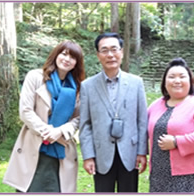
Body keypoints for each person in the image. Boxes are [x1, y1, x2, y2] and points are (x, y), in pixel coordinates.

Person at [3, 41, 85, 193]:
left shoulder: (78, 87)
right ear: (56, 55)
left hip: (62, 147)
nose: (67, 59)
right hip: (35, 144)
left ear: (76, 63)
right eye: (64, 54)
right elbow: (25, 110)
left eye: (73, 57)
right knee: (31, 188)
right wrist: (47, 131)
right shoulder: (35, 77)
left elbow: (79, 118)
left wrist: (60, 131)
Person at [79, 32, 148, 192]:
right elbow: (85, 124)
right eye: (104, 50)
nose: (110, 55)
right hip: (101, 153)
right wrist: (88, 155)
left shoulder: (136, 83)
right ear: (98, 55)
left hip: (130, 152)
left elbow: (142, 120)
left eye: (114, 49)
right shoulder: (88, 86)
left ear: (122, 52)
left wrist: (141, 152)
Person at [147, 57, 194, 192]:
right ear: (164, 82)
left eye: (182, 77)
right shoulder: (156, 105)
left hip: (192, 176)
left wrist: (177, 142)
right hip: (160, 175)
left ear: (190, 81)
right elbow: (142, 130)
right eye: (171, 77)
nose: (177, 81)